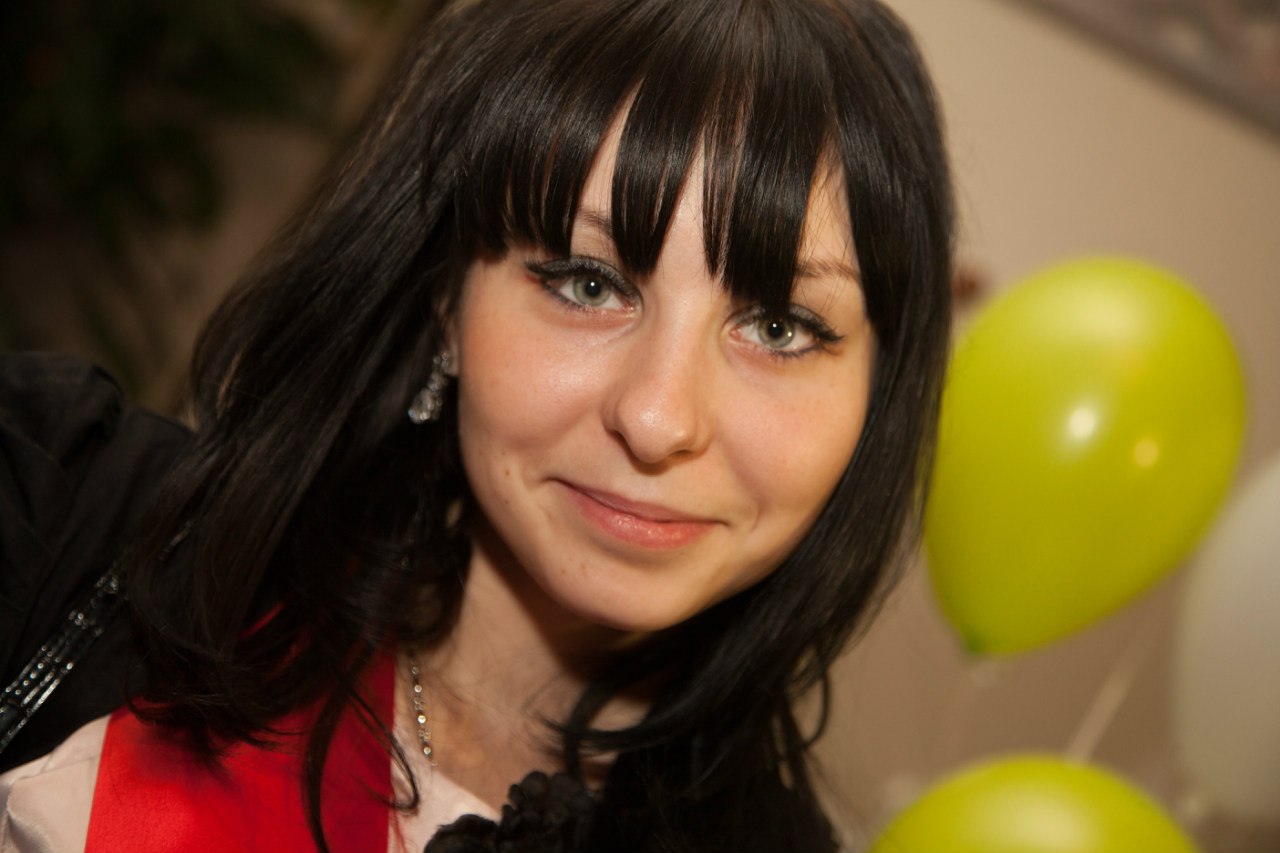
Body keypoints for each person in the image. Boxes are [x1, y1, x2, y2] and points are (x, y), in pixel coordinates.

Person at [0, 0, 953, 849]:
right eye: (588, 284)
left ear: (876, 394)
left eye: (781, 327)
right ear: (447, 300)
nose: (658, 417)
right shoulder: (67, 502)